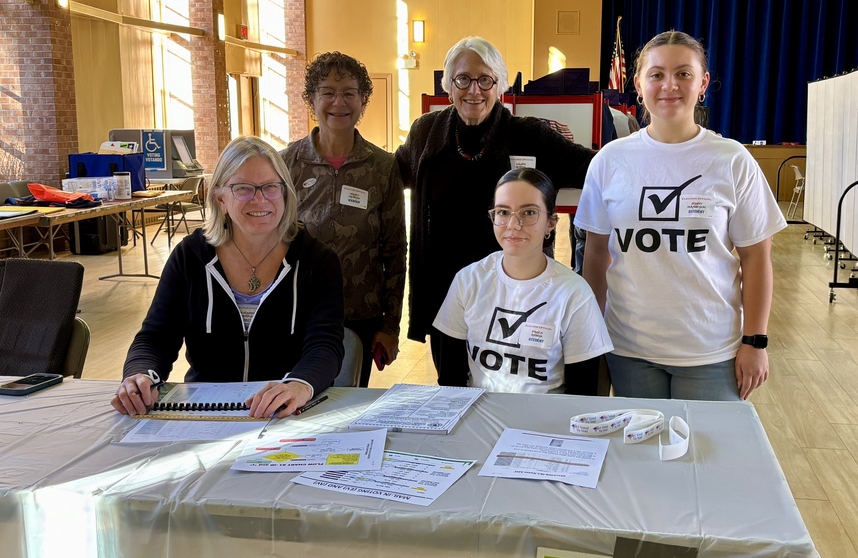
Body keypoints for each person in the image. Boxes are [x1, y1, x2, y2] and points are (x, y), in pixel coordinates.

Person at [577, 31, 786, 401]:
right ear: (638, 85)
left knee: (703, 457)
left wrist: (755, 341)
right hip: (629, 349)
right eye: (656, 74)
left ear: (703, 83)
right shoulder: (610, 161)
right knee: (640, 456)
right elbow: (596, 254)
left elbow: (756, 258)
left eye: (683, 74)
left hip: (711, 351)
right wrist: (590, 334)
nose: (669, 85)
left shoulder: (732, 159)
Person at [395, 35, 595, 371]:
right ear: (448, 85)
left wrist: (643, 158)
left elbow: (592, 168)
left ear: (499, 85)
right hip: (447, 293)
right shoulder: (426, 133)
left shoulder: (529, 135)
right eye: (463, 79)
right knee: (453, 386)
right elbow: (390, 174)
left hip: (515, 294)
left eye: (485, 80)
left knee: (513, 383)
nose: (474, 90)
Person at [112, 136, 346, 418]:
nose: (260, 199)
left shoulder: (317, 260)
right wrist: (140, 376)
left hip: (287, 414)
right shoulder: (190, 257)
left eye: (271, 187)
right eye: (243, 188)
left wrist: (299, 385)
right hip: (207, 412)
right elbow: (155, 338)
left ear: (285, 194)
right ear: (220, 198)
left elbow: (325, 344)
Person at [281, 52, 406, 387]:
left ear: (363, 100)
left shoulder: (382, 167)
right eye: (328, 92)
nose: (339, 102)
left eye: (349, 93)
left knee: (346, 408)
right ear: (311, 99)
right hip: (295, 313)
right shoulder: (286, 164)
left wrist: (390, 326)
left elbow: (395, 250)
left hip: (362, 314)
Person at [433, 168, 612, 394]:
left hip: (544, 424)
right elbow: (450, 378)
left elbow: (583, 393)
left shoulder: (574, 295)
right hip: (478, 419)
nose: (513, 224)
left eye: (528, 212)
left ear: (551, 223)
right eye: (503, 212)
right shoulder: (468, 281)